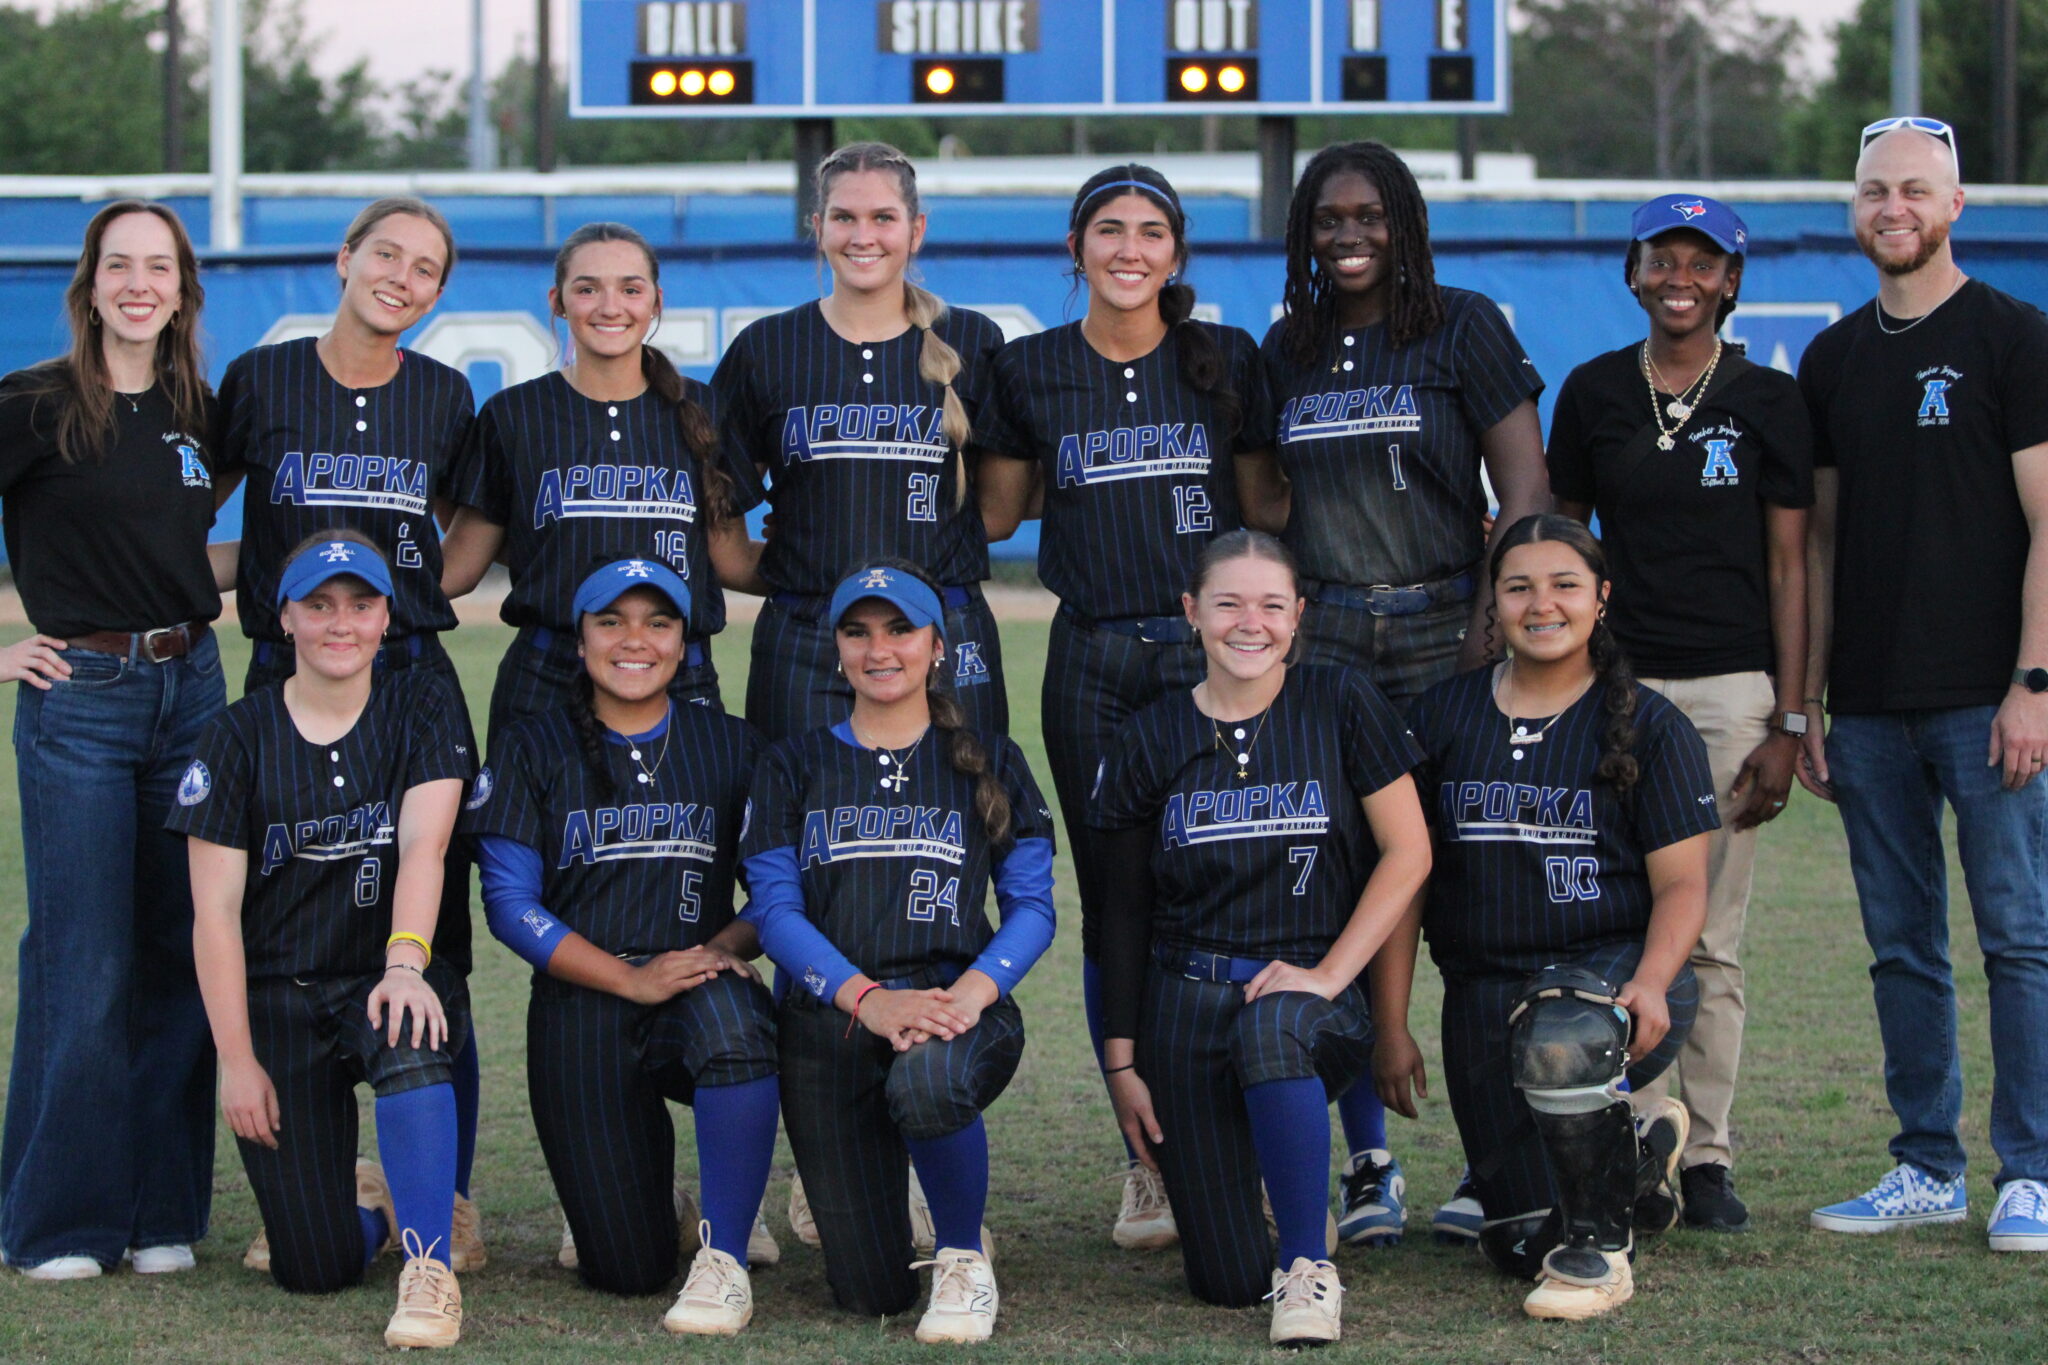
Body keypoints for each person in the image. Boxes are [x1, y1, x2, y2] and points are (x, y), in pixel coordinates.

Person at [1258, 140, 1551, 1247]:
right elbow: (1263, 498)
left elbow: (1523, 488)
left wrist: (1493, 627)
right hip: (1328, 635)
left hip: (1446, 624)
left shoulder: (1462, 325)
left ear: (1405, 223)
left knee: (1472, 900)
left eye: (1369, 216)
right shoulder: (1286, 347)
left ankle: (1493, 1159)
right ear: (1302, 231)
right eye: (1327, 219)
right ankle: (1367, 1159)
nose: (1347, 236)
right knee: (1332, 890)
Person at [977, 162, 1274, 1249]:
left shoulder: (1222, 361)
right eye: (1109, 229)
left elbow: (1261, 516)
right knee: (1118, 899)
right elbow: (998, 512)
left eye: (1151, 231)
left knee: (1226, 886)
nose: (1128, 249)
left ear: (1176, 253)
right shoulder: (1030, 369)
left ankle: (1227, 1138)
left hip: (1211, 659)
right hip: (1093, 659)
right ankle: (1144, 1161)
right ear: (1074, 246)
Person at [215, 196, 487, 1271]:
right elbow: (208, 518)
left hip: (409, 676)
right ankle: (327, 1175)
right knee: (291, 921)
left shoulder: (443, 395)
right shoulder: (262, 379)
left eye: (427, 269)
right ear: (344, 257)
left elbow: (462, 540)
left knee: (436, 951)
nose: (404, 278)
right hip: (291, 672)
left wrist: (414, 592)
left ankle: (449, 1195)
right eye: (388, 254)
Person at [1798, 117, 2048, 1250]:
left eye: (1912, 190)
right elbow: (1819, 548)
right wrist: (1806, 704)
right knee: (1901, 945)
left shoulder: (2013, 339)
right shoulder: (1832, 357)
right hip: (1866, 712)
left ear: (1956, 208)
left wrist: (2031, 684)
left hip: (1983, 703)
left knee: (2014, 939)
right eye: (1870, 193)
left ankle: (2030, 1174)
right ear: (1852, 211)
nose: (1890, 208)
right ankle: (1923, 1166)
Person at [1091, 530, 1431, 1346]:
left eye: (1272, 605)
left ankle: (1309, 1268)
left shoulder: (1340, 700)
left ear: (1298, 615)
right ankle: (1273, 1186)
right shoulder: (1150, 734)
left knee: (1273, 1024)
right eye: (1229, 603)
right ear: (1191, 613)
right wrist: (1123, 1061)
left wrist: (1329, 973)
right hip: (1186, 1000)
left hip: (1313, 1007)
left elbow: (1410, 849)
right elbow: (1122, 912)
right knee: (1225, 1280)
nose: (1252, 623)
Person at [1548, 192, 1813, 1232]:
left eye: (1702, 262)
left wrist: (1788, 721)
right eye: (1663, 257)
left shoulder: (1766, 400)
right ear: (1632, 270)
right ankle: (1636, 1141)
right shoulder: (1594, 391)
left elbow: (1793, 565)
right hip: (1612, 688)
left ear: (1729, 281)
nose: (1680, 277)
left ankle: (1704, 1155)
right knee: (1617, 920)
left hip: (1727, 690)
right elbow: (1558, 544)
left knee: (1709, 934)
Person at [1380, 514, 1716, 1320]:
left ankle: (1600, 1255)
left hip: (1607, 978)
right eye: (1518, 585)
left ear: (1600, 597)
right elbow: (1408, 880)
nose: (1542, 604)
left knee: (1563, 1039)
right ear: (1492, 604)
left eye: (1564, 584)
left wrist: (1653, 982)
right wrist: (1390, 1020)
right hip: (1484, 990)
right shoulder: (1443, 715)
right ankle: (1636, 1156)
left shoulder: (1649, 723)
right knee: (1518, 1238)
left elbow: (1682, 886)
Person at [739, 561, 1055, 1344]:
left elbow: (1034, 908)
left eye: (900, 629)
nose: (881, 649)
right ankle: (909, 1189)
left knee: (928, 1080)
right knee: (868, 1292)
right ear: (837, 648)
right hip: (833, 1017)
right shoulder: (793, 763)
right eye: (859, 631)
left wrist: (974, 994)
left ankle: (959, 1256)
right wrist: (867, 999)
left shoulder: (991, 758)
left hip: (955, 1003)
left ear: (937, 645)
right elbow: (775, 914)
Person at [0, 200, 229, 1280]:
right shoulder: (34, 404)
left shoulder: (199, 409)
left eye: (161, 267)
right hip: (80, 697)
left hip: (191, 692)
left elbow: (185, 546)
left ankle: (158, 1214)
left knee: (180, 953)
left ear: (183, 288)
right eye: (119, 265)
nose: (140, 283)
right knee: (83, 962)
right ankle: (58, 1223)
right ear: (89, 282)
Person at [171, 534, 470, 1349]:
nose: (341, 624)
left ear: (385, 618)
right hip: (280, 995)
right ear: (285, 618)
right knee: (312, 1264)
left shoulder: (423, 704)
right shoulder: (234, 737)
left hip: (380, 972)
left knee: (413, 1022)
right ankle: (372, 1211)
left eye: (361, 605)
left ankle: (429, 1270)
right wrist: (236, 1059)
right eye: (319, 606)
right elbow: (215, 917)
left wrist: (407, 963)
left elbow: (425, 846)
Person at [464, 557, 778, 1333]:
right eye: (612, 622)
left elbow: (780, 888)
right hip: (582, 997)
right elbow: (509, 905)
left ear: (683, 643)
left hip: (694, 983)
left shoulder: (733, 744)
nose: (634, 640)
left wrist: (718, 947)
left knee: (736, 1019)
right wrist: (629, 980)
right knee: (626, 1271)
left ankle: (726, 1255)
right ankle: (657, 1200)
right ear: (580, 641)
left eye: (658, 622)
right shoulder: (533, 745)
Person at [713, 142, 1008, 744]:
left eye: (883, 218)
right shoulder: (769, 347)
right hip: (807, 632)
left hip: (943, 625)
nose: (862, 236)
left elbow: (1000, 510)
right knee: (799, 824)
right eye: (844, 218)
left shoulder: (973, 341)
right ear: (818, 229)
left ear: (915, 230)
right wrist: (789, 569)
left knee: (961, 823)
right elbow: (718, 504)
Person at [441, 221, 768, 740]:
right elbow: (459, 565)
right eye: (588, 288)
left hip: (677, 677)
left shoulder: (703, 409)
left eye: (630, 289)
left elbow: (728, 558)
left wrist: (823, 557)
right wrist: (344, 591)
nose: (609, 306)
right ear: (558, 300)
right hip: (547, 679)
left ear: (656, 302)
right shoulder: (514, 415)